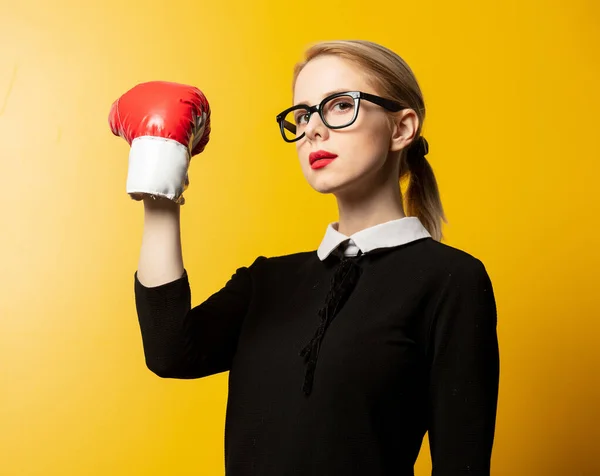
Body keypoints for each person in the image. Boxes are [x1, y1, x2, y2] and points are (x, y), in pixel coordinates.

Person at [109, 40, 500, 476]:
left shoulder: (451, 280)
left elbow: (462, 463)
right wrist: (159, 176)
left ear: (401, 128)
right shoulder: (266, 281)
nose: (313, 129)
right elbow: (169, 353)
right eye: (302, 114)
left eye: (337, 106)